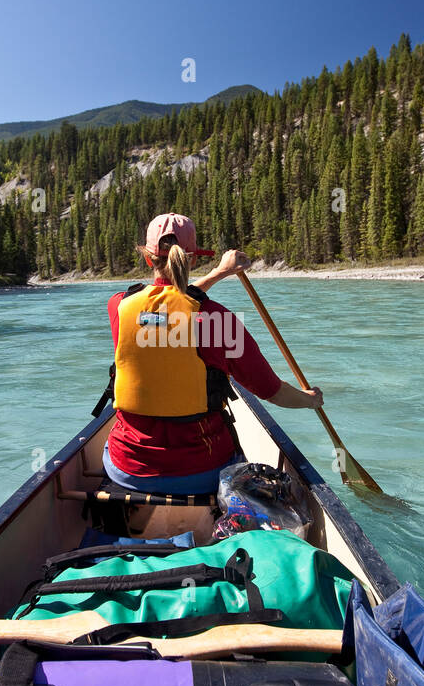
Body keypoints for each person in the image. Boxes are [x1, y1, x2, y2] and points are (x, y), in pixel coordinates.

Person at [100, 212, 323, 494]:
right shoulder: (218, 320)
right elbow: (272, 391)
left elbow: (168, 307)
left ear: (147, 257)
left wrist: (219, 274)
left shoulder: (118, 306)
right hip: (205, 472)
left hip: (127, 469)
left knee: (113, 444)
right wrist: (310, 400)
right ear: (192, 259)